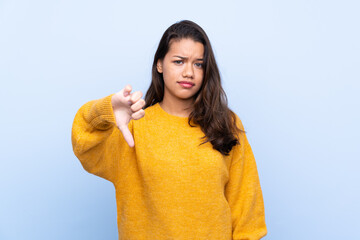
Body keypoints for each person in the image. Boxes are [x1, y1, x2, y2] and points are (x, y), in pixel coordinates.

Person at [71, 20, 267, 240]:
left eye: (198, 64)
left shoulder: (226, 123)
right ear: (160, 65)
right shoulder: (133, 126)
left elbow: (247, 210)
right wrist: (104, 111)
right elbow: (83, 139)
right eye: (179, 61)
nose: (189, 72)